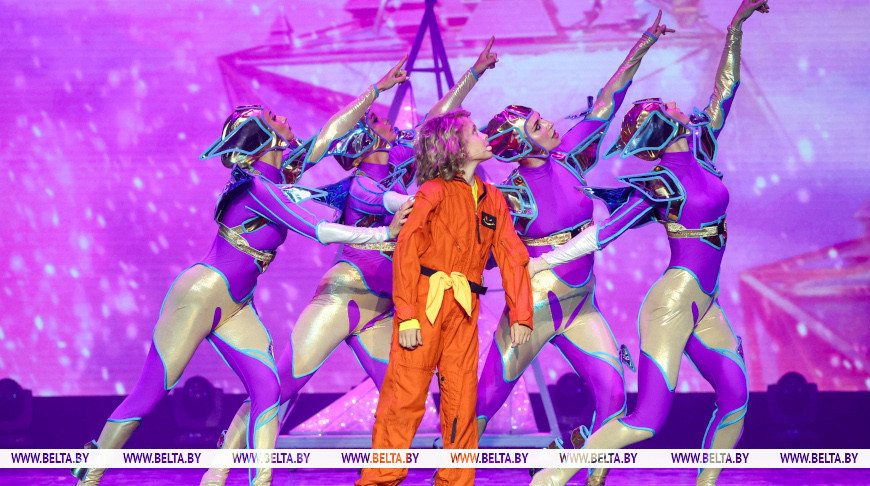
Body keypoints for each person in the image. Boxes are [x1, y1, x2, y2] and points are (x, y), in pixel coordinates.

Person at [71, 58, 411, 486]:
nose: (282, 117)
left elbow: (328, 135)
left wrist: (376, 89)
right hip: (202, 294)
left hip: (237, 304)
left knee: (268, 389)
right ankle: (92, 469)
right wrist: (384, 233)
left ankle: (258, 479)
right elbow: (319, 230)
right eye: (273, 116)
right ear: (263, 136)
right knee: (151, 392)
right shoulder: (256, 186)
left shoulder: (279, 175)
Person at [199, 39, 501, 486]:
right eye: (376, 120)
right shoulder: (362, 184)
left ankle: (392, 474)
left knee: (403, 396)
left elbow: (436, 121)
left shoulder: (399, 160)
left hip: (382, 307)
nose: (388, 122)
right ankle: (221, 464)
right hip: (343, 298)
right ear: (363, 140)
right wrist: (427, 208)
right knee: (281, 386)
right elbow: (390, 200)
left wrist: (473, 74)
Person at [529, 2, 769, 485]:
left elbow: (726, 91)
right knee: (646, 422)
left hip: (705, 301)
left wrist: (735, 28)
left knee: (735, 398)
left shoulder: (700, 146)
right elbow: (605, 233)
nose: (680, 104)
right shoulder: (661, 183)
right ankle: (554, 475)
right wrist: (544, 262)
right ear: (662, 126)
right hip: (672, 305)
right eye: (669, 106)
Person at [477, 13, 672, 458]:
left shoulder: (568, 157)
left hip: (582, 304)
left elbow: (607, 102)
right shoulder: (510, 194)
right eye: (536, 125)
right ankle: (446, 468)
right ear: (520, 146)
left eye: (542, 119)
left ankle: (576, 470)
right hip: (536, 305)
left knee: (615, 397)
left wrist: (644, 43)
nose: (549, 124)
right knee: (484, 401)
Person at [356, 109, 533, 486]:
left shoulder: (493, 198)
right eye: (475, 131)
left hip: (464, 309)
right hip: (425, 303)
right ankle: (379, 480)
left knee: (462, 401)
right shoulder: (432, 192)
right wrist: (407, 315)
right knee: (404, 397)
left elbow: (512, 256)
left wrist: (521, 314)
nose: (484, 135)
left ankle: (455, 480)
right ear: (455, 146)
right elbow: (407, 250)